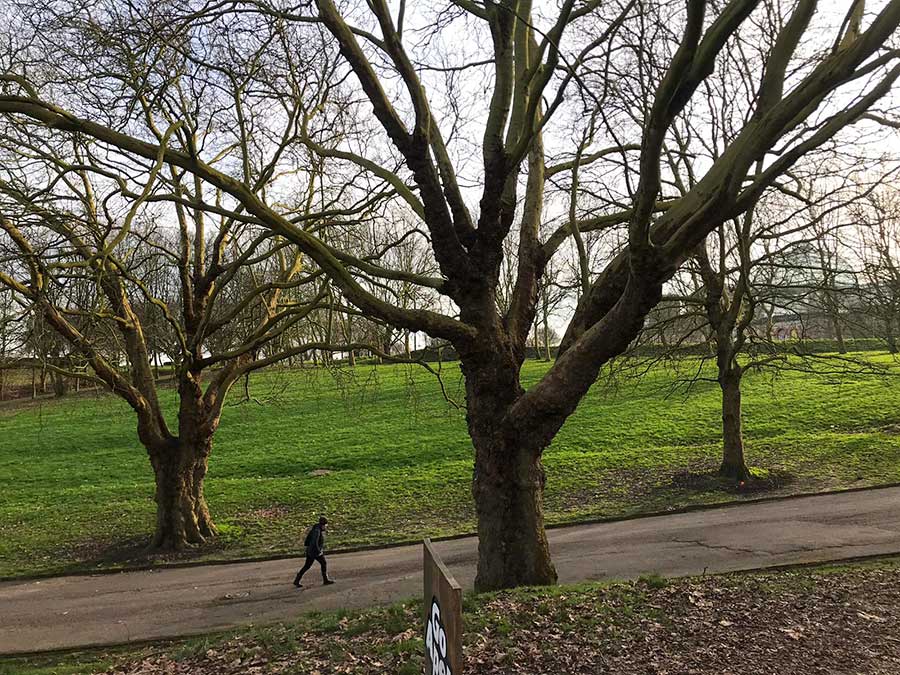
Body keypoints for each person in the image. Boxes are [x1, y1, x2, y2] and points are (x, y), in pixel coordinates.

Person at [293, 516, 335, 588]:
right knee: (323, 563)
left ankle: (297, 580)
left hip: (310, 551)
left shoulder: (315, 528)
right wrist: (318, 551)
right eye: (325, 526)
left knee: (307, 566)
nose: (325, 528)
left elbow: (308, 541)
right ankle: (325, 580)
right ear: (323, 525)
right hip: (314, 552)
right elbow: (314, 542)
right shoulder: (317, 531)